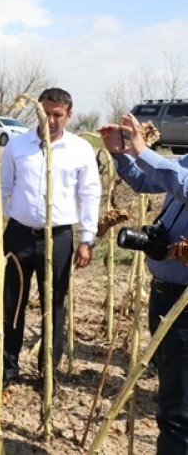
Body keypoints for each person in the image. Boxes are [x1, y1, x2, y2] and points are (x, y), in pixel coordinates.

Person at [0, 87, 101, 388]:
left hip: (59, 238)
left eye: (57, 115)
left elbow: (90, 194)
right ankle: (8, 367)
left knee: (54, 303)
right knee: (13, 300)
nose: (51, 120)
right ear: (37, 110)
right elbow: (2, 188)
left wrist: (86, 239)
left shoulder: (80, 150)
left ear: (69, 115)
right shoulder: (18, 146)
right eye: (45, 113)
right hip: (18, 234)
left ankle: (47, 370)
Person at [100, 113, 188, 453]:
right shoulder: (184, 161)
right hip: (165, 296)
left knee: (177, 411)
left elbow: (181, 184)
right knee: (172, 390)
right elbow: (148, 180)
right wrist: (121, 153)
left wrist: (140, 148)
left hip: (184, 305)